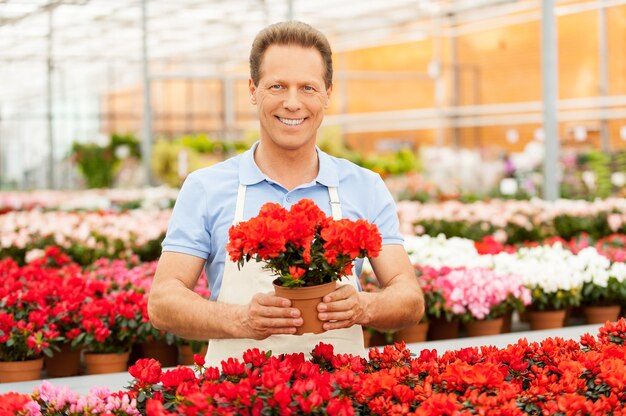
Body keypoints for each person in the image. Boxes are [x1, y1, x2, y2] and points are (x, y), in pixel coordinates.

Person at [148, 21, 425, 367]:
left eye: (307, 88)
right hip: (237, 396)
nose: (292, 103)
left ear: (327, 93)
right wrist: (239, 319)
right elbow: (162, 300)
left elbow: (409, 297)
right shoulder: (206, 187)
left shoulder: (365, 187)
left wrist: (363, 306)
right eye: (277, 86)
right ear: (252, 90)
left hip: (341, 395)